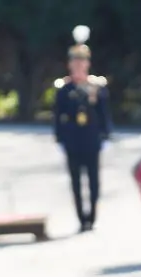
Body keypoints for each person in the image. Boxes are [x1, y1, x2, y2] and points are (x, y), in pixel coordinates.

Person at [54, 25, 112, 232]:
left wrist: (106, 135)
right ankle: (81, 218)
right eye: (75, 62)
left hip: (92, 139)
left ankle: (92, 217)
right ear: (70, 65)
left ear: (88, 64)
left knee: (94, 181)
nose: (78, 66)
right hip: (72, 140)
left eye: (82, 62)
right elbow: (57, 116)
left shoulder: (96, 86)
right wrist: (59, 139)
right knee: (76, 181)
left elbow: (104, 113)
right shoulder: (64, 89)